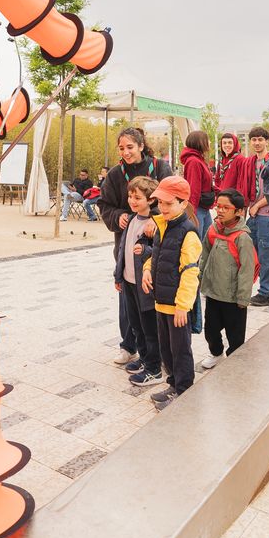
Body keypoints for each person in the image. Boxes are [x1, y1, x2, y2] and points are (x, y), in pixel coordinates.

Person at [99, 128, 171, 365]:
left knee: (152, 303)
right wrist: (117, 216)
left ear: (141, 146)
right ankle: (129, 346)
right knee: (127, 302)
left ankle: (157, 352)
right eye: (121, 148)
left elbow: (172, 199)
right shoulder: (114, 174)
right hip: (126, 247)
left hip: (156, 248)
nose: (126, 152)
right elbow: (105, 205)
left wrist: (155, 217)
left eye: (130, 147)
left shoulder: (160, 168)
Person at [141, 176, 202, 410]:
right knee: (166, 350)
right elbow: (156, 256)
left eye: (169, 203)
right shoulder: (161, 226)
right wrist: (147, 270)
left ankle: (184, 391)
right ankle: (174, 384)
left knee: (180, 351)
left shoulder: (188, 234)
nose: (163, 207)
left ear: (183, 204)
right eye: (160, 202)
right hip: (161, 301)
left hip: (177, 306)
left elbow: (190, 273)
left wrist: (183, 306)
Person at [114, 176, 162, 386]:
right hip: (129, 282)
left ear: (151, 200)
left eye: (138, 198)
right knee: (136, 326)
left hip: (145, 286)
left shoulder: (156, 223)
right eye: (130, 196)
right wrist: (118, 276)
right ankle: (144, 358)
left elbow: (160, 251)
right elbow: (123, 250)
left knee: (149, 327)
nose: (132, 201)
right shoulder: (132, 220)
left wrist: (145, 249)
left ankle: (154, 368)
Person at [199, 188, 255, 369]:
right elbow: (204, 255)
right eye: (218, 206)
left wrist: (243, 298)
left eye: (226, 207)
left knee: (235, 334)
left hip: (233, 298)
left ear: (239, 211)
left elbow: (247, 269)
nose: (220, 210)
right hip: (213, 292)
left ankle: (234, 360)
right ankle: (216, 352)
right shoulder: (213, 229)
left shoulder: (243, 237)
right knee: (211, 329)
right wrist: (200, 278)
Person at [237, 126, 269, 306]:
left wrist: (257, 205)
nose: (257, 143)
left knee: (267, 255)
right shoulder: (250, 163)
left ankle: (266, 294)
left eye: (260, 139)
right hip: (254, 215)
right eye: (254, 140)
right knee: (253, 253)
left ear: (266, 141)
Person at [179, 131, 214, 239]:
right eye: (207, 140)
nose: (210, 142)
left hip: (203, 207)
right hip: (197, 208)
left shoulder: (199, 159)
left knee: (207, 239)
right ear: (200, 142)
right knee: (198, 241)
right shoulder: (194, 161)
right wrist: (192, 212)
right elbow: (193, 188)